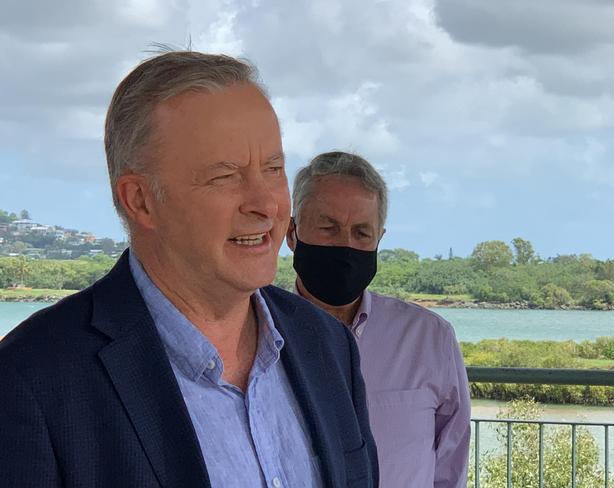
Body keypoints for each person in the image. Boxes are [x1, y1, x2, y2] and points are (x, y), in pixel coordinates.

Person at [0, 53, 377, 488]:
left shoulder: (328, 346)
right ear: (140, 200)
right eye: (225, 176)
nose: (266, 204)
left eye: (273, 169)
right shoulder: (32, 382)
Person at [287, 151, 471, 487]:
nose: (345, 245)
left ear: (379, 240)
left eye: (361, 233)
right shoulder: (258, 334)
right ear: (292, 234)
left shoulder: (429, 339)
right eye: (328, 228)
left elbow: (451, 462)